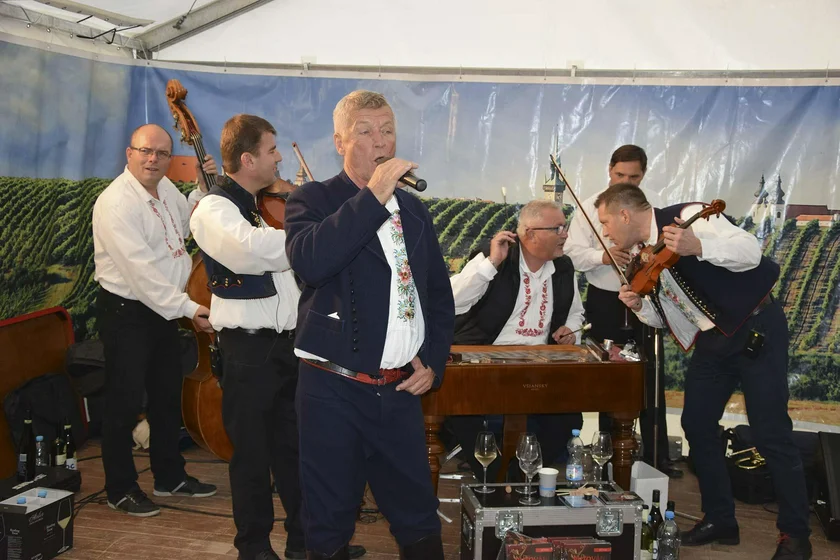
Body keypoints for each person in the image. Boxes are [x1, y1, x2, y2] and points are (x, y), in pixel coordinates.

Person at [598, 183, 811, 559]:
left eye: (605, 222)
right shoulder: (645, 256)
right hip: (714, 340)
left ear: (625, 215)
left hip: (756, 327)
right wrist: (640, 306)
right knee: (697, 424)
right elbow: (671, 317)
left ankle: (796, 535)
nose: (605, 231)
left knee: (771, 432)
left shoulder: (690, 217)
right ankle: (720, 519)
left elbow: (750, 252)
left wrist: (698, 246)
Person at [284, 90, 455, 560]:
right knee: (328, 523)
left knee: (419, 518)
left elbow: (438, 297)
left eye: (388, 131)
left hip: (398, 392)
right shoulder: (312, 199)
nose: (380, 141)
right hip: (331, 390)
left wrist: (432, 362)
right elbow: (311, 263)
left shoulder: (415, 211)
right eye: (365, 131)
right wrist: (374, 196)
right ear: (340, 141)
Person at [189, 115, 367, 560]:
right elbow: (251, 252)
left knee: (296, 451)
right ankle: (253, 546)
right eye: (271, 150)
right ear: (248, 159)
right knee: (251, 455)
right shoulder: (213, 208)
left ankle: (306, 541)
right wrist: (311, 237)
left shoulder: (261, 206)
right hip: (248, 350)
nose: (279, 158)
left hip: (288, 345)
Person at [92, 124, 218, 517]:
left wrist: (201, 190)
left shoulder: (164, 190)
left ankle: (169, 477)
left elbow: (185, 224)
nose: (153, 159)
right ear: (129, 153)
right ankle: (120, 488)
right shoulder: (115, 203)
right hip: (127, 311)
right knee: (125, 402)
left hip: (162, 309)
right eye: (146, 151)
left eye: (162, 153)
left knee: (166, 397)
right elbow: (142, 274)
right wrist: (190, 309)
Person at [446, 199, 585, 480]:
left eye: (565, 227)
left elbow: (575, 314)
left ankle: (521, 477)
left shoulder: (563, 267)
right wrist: (491, 263)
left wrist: (571, 331)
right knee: (463, 412)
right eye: (557, 228)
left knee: (568, 418)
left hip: (538, 365)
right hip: (485, 362)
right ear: (530, 233)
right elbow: (451, 302)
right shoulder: (493, 257)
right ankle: (496, 478)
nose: (565, 234)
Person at [564, 144, 681, 478]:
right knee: (610, 376)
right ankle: (609, 451)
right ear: (609, 171)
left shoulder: (651, 205)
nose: (625, 182)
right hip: (605, 299)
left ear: (643, 175)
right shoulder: (590, 206)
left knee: (650, 374)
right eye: (620, 175)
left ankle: (657, 455)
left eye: (633, 177)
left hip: (646, 296)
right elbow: (571, 253)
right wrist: (602, 256)